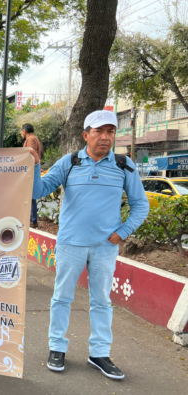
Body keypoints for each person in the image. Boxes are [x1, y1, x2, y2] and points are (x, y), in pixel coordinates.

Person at [29, 110, 149, 380]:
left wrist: (122, 233)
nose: (105, 137)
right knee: (62, 297)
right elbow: (38, 192)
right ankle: (56, 347)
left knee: (102, 301)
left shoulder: (123, 165)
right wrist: (36, 165)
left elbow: (141, 205)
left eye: (110, 132)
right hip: (71, 243)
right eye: (99, 131)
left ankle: (99, 354)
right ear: (86, 135)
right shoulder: (69, 162)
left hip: (105, 248)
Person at [21, 123, 43, 228]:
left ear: (24, 131)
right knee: (31, 196)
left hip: (30, 170)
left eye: (21, 132)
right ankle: (32, 220)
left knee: (30, 196)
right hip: (34, 169)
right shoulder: (35, 139)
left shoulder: (30, 139)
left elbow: (31, 154)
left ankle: (32, 220)